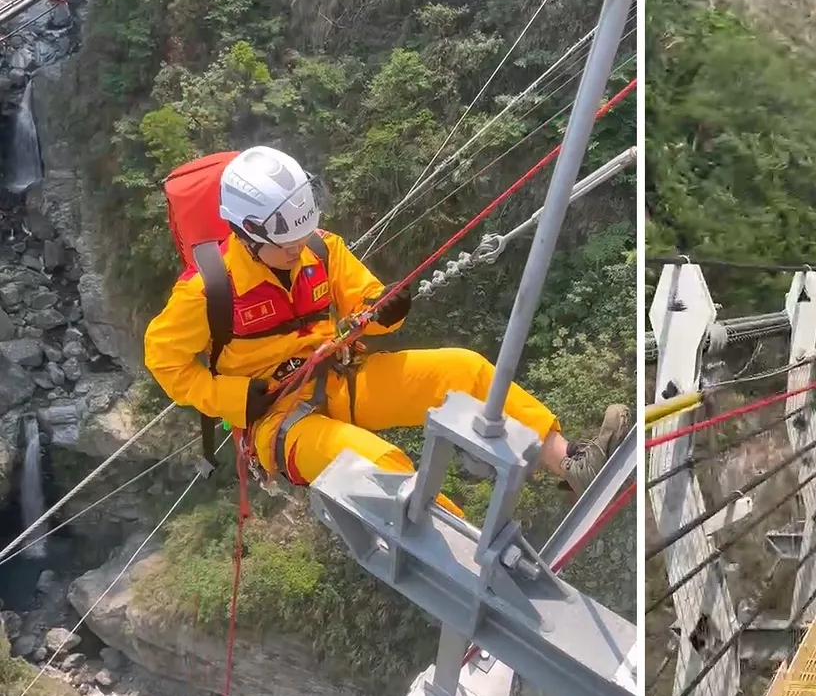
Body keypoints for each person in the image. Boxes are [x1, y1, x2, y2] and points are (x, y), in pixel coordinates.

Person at [144, 145, 630, 496]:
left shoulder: (320, 249)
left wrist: (386, 308)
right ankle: (472, 564)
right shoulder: (208, 291)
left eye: (301, 236)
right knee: (378, 464)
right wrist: (230, 398)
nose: (296, 249)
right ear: (247, 234)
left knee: (463, 370)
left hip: (337, 377)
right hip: (274, 418)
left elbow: (366, 302)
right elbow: (164, 362)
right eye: (285, 244)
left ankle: (569, 463)